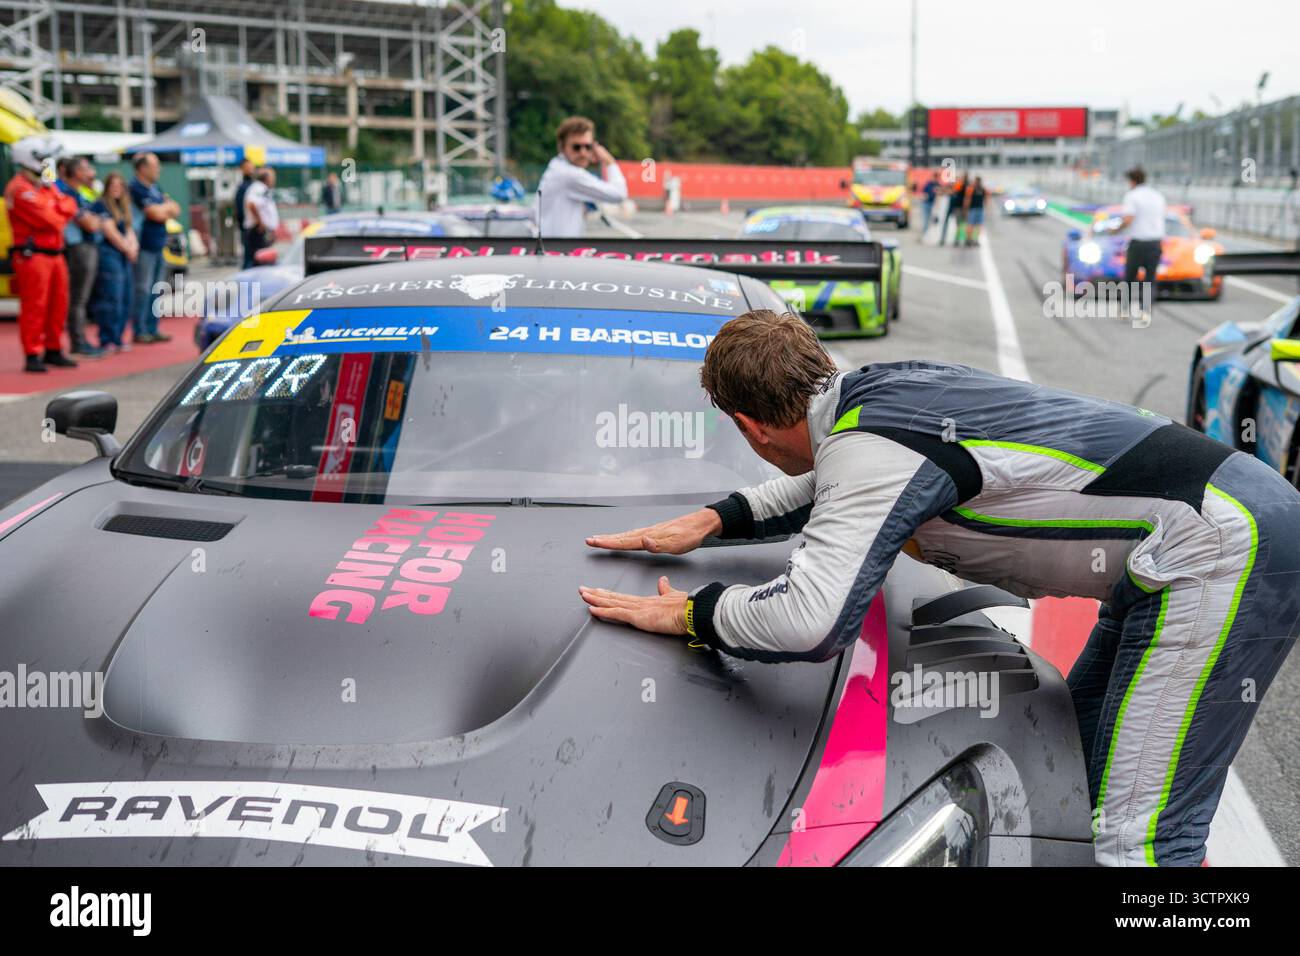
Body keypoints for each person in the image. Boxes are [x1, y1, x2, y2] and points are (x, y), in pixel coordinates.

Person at [580, 310, 1300, 867]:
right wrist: (715, 520)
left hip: (1220, 547)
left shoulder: (870, 449)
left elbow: (810, 622)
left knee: (1140, 836)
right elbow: (836, 482)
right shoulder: (877, 397)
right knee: (1076, 768)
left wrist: (694, 614)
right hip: (1209, 534)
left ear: (748, 426)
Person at [4, 136, 79, 373]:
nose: (49, 163)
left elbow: (69, 205)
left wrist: (56, 206)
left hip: (55, 254)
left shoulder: (44, 184)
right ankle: (32, 353)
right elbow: (53, 219)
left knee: (59, 305)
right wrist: (57, 207)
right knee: (35, 306)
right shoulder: (20, 188)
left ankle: (53, 348)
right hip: (32, 255)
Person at [535, 116, 627, 238]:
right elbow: (619, 194)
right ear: (562, 147)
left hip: (554, 249)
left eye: (588, 147)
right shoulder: (570, 175)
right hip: (560, 252)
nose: (583, 153)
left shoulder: (556, 168)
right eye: (576, 147)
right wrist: (610, 162)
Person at [55, 156, 105, 358]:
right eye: (86, 169)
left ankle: (80, 340)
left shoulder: (80, 191)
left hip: (85, 246)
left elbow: (101, 214)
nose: (90, 173)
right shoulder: (65, 192)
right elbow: (90, 223)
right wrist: (96, 220)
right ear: (75, 172)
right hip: (77, 248)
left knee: (80, 298)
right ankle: (77, 342)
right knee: (78, 298)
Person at [128, 152, 180, 344]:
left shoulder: (155, 187)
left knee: (156, 289)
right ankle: (140, 330)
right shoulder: (135, 188)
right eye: (155, 165)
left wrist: (163, 209)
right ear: (142, 168)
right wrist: (164, 209)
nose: (158, 169)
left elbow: (175, 208)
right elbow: (154, 213)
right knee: (142, 289)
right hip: (143, 246)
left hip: (159, 245)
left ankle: (152, 327)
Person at [89, 172, 138, 354]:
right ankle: (107, 338)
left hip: (123, 255)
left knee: (125, 297)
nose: (116, 189)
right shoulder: (102, 205)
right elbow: (110, 231)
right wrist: (128, 248)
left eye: (120, 186)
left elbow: (128, 229)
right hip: (109, 254)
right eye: (113, 186)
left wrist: (133, 247)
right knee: (111, 298)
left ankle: (117, 337)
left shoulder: (123, 206)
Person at [1115, 166, 1166, 323]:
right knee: (1150, 280)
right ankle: (1146, 312)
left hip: (1138, 243)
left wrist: (1116, 229)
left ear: (1132, 181)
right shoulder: (1157, 195)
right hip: (1155, 242)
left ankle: (1124, 309)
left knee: (1129, 277)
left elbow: (1128, 218)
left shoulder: (1132, 196)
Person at [243, 167, 280, 262]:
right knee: (257, 261)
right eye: (272, 177)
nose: (274, 180)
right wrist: (260, 222)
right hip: (257, 231)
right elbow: (251, 204)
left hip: (260, 230)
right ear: (266, 178)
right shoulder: (258, 188)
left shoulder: (262, 189)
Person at [234, 157, 256, 268]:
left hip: (251, 227)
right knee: (249, 258)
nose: (251, 169)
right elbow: (241, 208)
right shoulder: (244, 187)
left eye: (252, 166)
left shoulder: (253, 185)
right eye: (248, 167)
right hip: (249, 228)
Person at [939, 172, 968, 246]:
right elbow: (944, 191)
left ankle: (957, 240)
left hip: (958, 207)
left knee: (958, 224)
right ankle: (942, 239)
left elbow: (955, 191)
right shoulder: (953, 186)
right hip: (951, 206)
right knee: (946, 222)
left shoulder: (963, 186)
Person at [963, 175, 987, 246]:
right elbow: (985, 200)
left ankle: (970, 240)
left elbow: (967, 199)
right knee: (977, 225)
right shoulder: (982, 189)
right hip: (979, 208)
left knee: (972, 225)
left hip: (973, 209)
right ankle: (974, 240)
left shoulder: (971, 189)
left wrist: (965, 209)